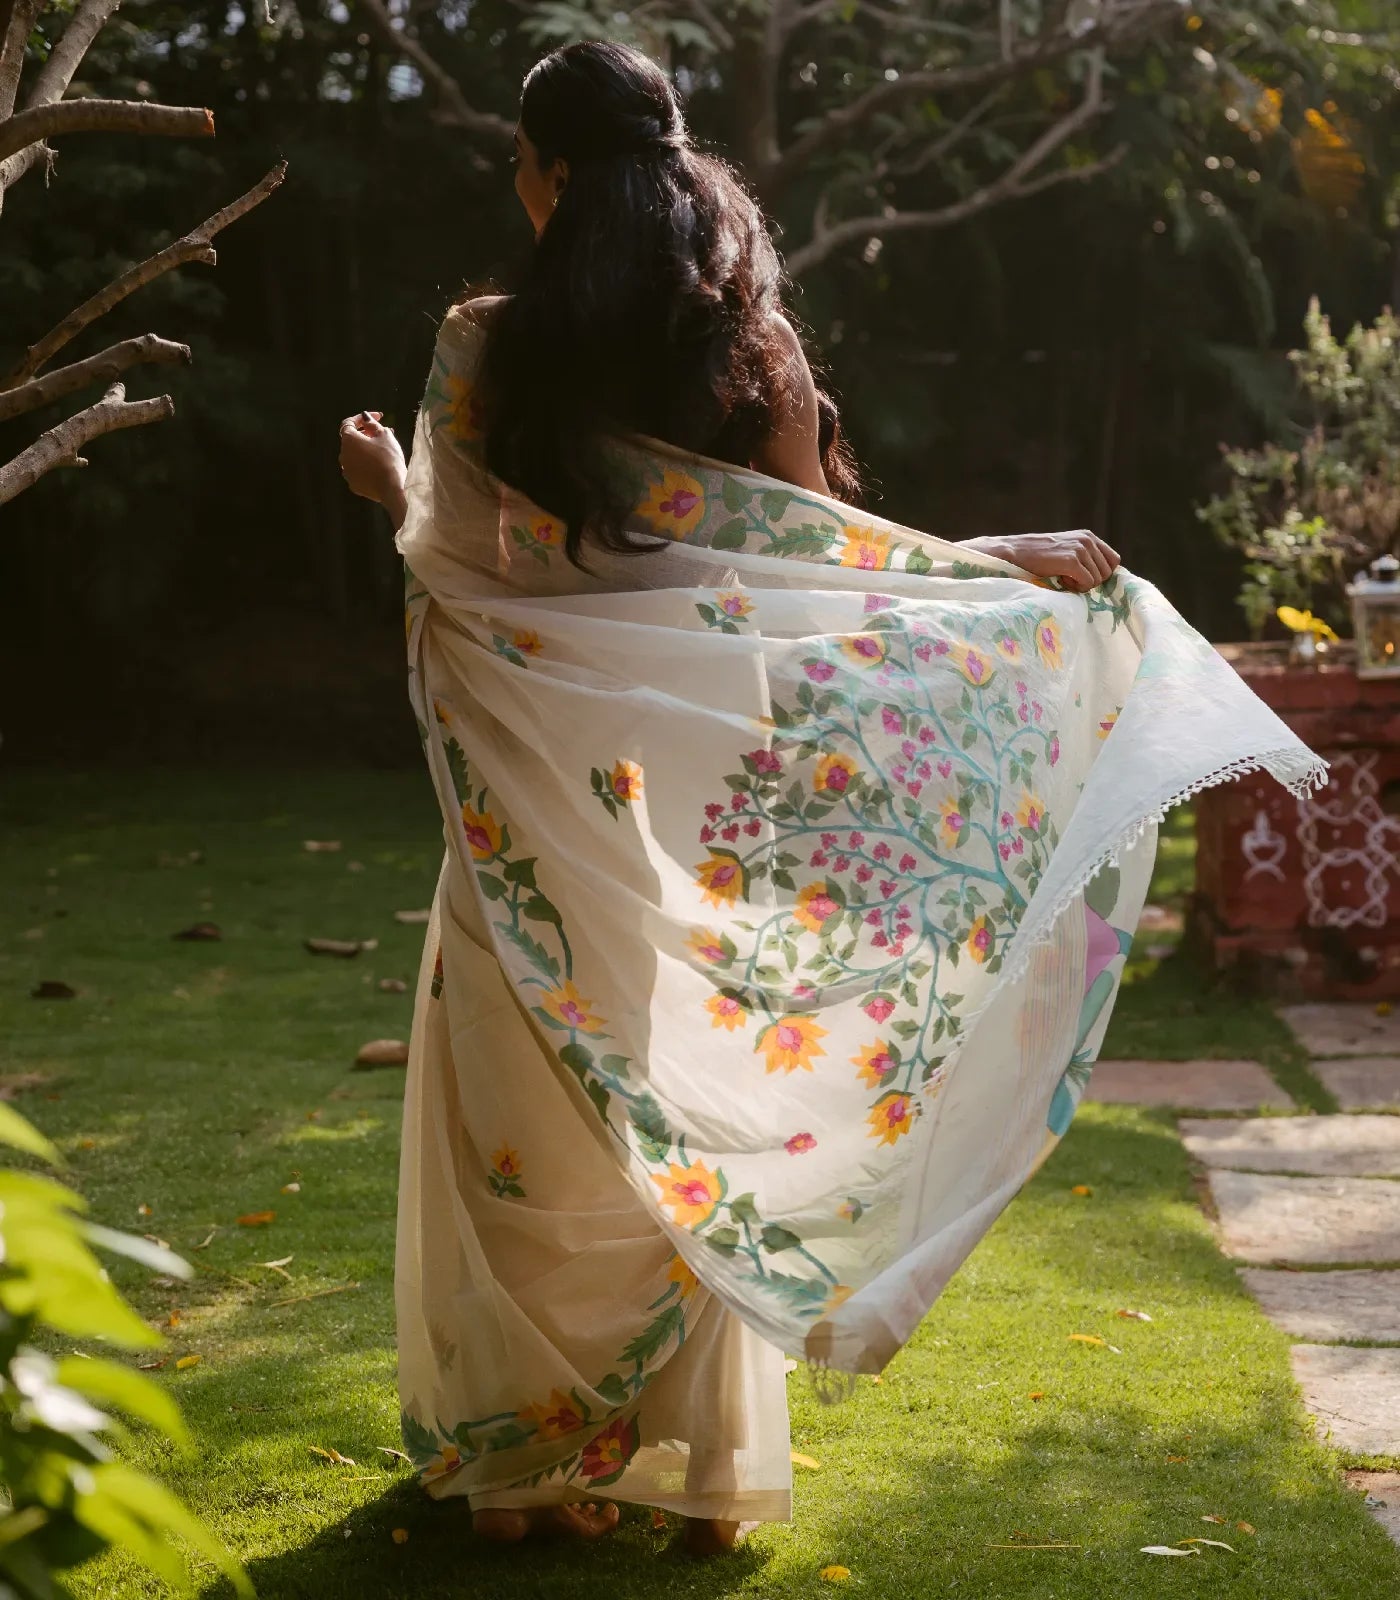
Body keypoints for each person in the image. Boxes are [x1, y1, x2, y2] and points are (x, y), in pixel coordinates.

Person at [339, 39, 1321, 1556]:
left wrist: (392, 498)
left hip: (541, 799)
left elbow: (485, 580)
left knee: (524, 1104)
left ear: (543, 178)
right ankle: (699, 1471)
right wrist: (985, 567)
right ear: (672, 166)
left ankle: (531, 1474)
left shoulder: (487, 345)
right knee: (686, 1091)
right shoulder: (749, 352)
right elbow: (813, 577)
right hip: (703, 792)